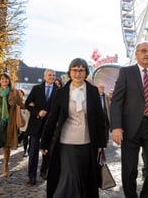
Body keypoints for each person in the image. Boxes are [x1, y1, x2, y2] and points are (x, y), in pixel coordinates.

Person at [40, 58, 107, 198]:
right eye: (74, 70)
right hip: (66, 141)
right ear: (69, 72)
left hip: (87, 142)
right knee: (70, 175)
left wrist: (102, 143)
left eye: (81, 70)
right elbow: (52, 118)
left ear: (86, 73)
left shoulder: (93, 92)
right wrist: (45, 142)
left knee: (83, 176)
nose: (78, 73)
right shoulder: (61, 92)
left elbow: (100, 119)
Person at [110, 41, 148, 198]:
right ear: (136, 54)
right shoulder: (126, 73)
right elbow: (117, 101)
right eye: (143, 51)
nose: (147, 53)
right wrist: (116, 127)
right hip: (130, 128)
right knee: (129, 170)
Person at [24, 69, 57, 186]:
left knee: (47, 151)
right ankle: (31, 176)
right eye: (49, 75)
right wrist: (38, 111)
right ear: (44, 76)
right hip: (35, 125)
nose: (52, 77)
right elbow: (27, 104)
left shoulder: (59, 91)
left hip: (50, 126)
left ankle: (44, 171)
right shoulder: (36, 88)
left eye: (53, 75)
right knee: (33, 152)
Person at [17, 88, 30, 157]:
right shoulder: (15, 102)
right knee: (22, 134)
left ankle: (25, 151)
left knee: (25, 135)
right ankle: (18, 140)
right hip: (19, 120)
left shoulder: (26, 101)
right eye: (18, 93)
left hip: (26, 119)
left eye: (20, 93)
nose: (19, 94)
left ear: (23, 94)